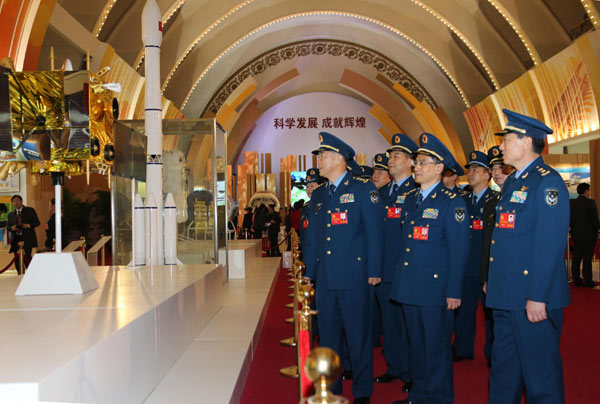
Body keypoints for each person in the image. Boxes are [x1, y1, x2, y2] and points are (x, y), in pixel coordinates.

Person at [486, 109, 570, 404]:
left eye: (507, 139)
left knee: (539, 377)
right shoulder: (513, 182)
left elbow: (549, 245)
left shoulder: (547, 183)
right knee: (504, 371)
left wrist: (538, 297)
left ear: (525, 142)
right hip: (507, 294)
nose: (501, 146)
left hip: (531, 298)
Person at [304, 132, 383, 404]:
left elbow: (375, 233)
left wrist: (374, 270)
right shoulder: (321, 194)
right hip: (325, 278)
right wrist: (308, 275)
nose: (319, 160)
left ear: (339, 158)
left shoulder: (362, 189)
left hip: (354, 277)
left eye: (323, 155)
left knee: (358, 336)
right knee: (327, 337)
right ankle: (330, 387)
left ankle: (362, 391)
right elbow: (313, 238)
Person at [390, 133, 469, 404]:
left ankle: (440, 398)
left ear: (438, 168)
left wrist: (454, 291)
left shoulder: (451, 202)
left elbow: (459, 252)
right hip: (411, 286)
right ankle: (419, 395)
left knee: (435, 349)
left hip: (436, 290)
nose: (416, 167)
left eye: (423, 162)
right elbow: (406, 246)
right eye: (416, 162)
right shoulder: (412, 199)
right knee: (417, 347)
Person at [374, 134, 418, 393]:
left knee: (408, 326)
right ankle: (394, 367)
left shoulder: (415, 192)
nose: (390, 160)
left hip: (404, 271)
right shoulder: (381, 193)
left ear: (411, 162)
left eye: (396, 156)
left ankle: (411, 372)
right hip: (383, 270)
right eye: (390, 156)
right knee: (389, 325)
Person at [452, 151, 497, 363]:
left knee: (490, 314)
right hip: (466, 266)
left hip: (487, 268)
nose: (470, 173)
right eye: (469, 169)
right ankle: (462, 348)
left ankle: (492, 353)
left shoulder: (495, 201)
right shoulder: (462, 200)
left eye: (476, 169)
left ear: (488, 174)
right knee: (463, 311)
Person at [480, 145, 513, 367]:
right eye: (493, 167)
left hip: (513, 277)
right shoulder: (492, 203)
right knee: (492, 320)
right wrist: (485, 277)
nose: (497, 171)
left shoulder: (518, 199)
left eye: (501, 166)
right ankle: (494, 356)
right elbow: (486, 246)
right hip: (493, 276)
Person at [570, 183, 599, 287]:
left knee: (576, 257)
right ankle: (588, 280)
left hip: (576, 235)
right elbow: (594, 220)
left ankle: (576, 279)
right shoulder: (590, 203)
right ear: (586, 191)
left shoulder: (572, 203)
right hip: (589, 236)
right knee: (587, 259)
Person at [7, 195, 40, 274]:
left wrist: (28, 225)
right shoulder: (11, 214)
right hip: (16, 239)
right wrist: (12, 228)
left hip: (27, 238)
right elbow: (8, 226)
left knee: (27, 257)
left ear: (21, 201)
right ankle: (19, 275)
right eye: (13, 201)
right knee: (17, 260)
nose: (16, 203)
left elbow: (37, 222)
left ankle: (31, 275)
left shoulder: (30, 210)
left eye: (17, 200)